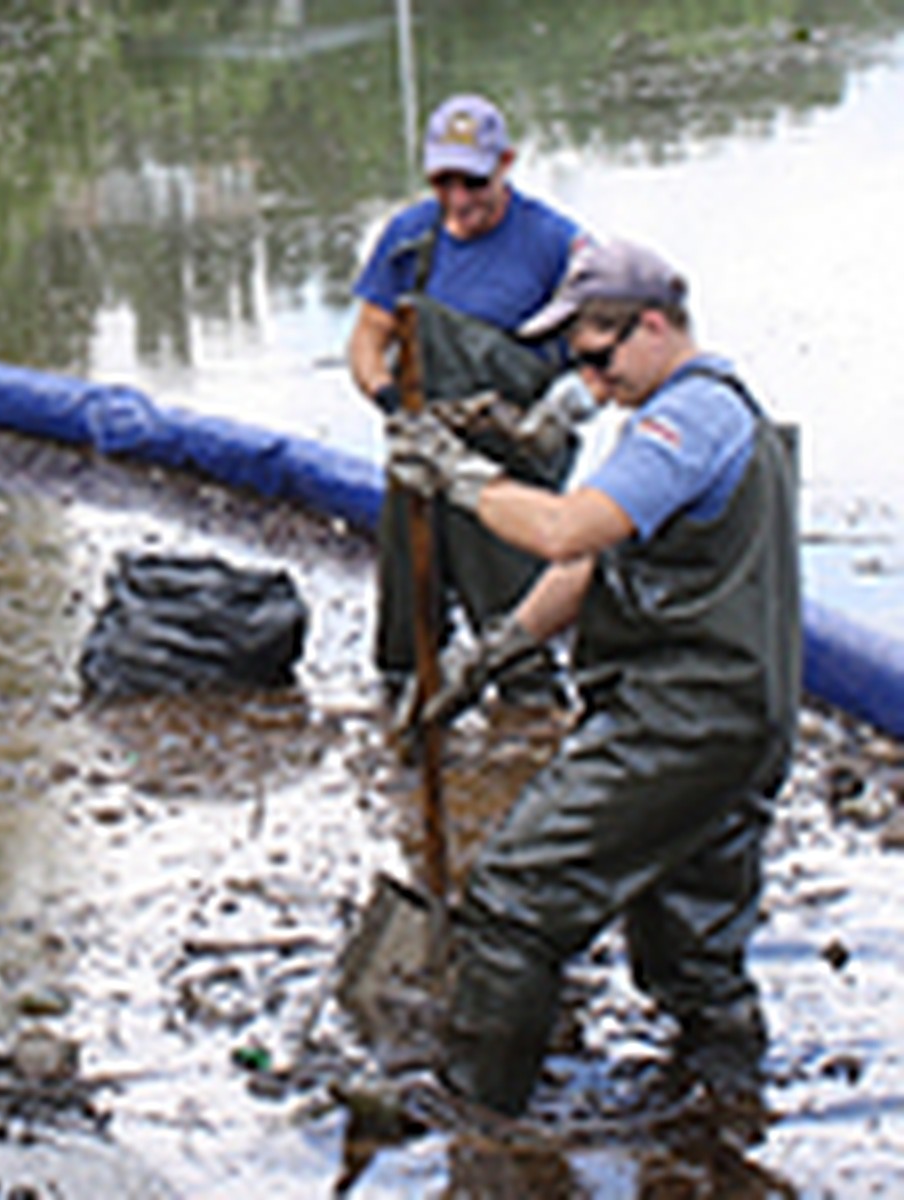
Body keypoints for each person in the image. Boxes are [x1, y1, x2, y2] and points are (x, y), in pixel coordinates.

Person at [387, 238, 801, 1120]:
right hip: (730, 715)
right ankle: (724, 1106)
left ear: (654, 326)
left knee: (513, 899)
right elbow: (591, 565)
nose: (592, 380)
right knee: (690, 940)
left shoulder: (687, 423)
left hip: (682, 716)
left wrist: (459, 477)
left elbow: (567, 530)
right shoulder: (691, 416)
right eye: (577, 360)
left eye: (599, 357)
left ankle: (476, 1111)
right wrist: (491, 652)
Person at [348, 93, 589, 695]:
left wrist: (565, 409)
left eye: (473, 182)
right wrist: (389, 404)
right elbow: (366, 340)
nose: (458, 199)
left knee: (519, 647)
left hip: (506, 461)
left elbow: (612, 348)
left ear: (506, 163)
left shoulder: (555, 244)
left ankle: (528, 723)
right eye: (443, 181)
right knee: (407, 642)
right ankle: (410, 712)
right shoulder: (408, 239)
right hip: (422, 448)